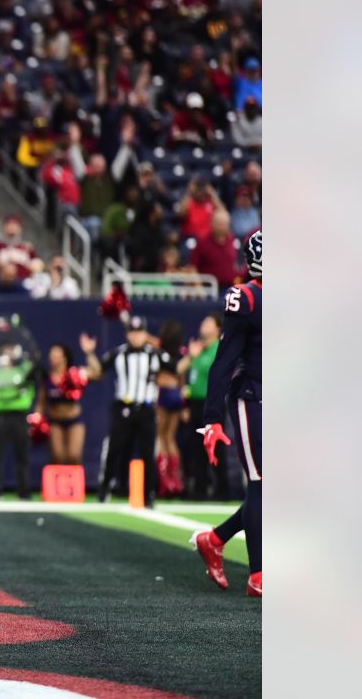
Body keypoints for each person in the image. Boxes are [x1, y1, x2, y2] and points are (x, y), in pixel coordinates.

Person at [191, 230, 263, 598]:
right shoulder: (247, 298)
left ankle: (214, 539)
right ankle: (259, 575)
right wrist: (212, 418)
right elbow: (224, 361)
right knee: (260, 482)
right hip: (253, 396)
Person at [80, 316, 171, 506]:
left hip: (146, 408)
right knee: (114, 449)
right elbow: (98, 371)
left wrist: (191, 356)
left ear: (145, 334)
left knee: (148, 453)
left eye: (139, 332)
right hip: (123, 407)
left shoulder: (155, 354)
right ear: (127, 334)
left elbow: (176, 369)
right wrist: (90, 354)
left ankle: (148, 495)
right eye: (132, 332)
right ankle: (105, 490)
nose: (136, 336)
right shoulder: (118, 354)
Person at [0, 332, 38, 500]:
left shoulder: (25, 368)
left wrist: (23, 360)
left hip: (19, 415)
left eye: (10, 349)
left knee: (23, 455)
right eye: (4, 349)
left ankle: (24, 491)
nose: (7, 352)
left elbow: (37, 372)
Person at [178, 312, 226, 499]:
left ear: (217, 329)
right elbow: (185, 375)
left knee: (215, 447)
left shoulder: (219, 349)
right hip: (195, 403)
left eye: (208, 323)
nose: (203, 326)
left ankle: (222, 488)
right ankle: (199, 488)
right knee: (195, 448)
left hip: (212, 404)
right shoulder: (198, 350)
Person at [39, 343, 87, 465]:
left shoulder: (74, 375)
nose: (53, 356)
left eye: (57, 353)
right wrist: (37, 419)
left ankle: (75, 484)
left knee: (74, 456)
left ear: (64, 357)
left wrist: (90, 353)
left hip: (74, 420)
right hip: (55, 421)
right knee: (58, 456)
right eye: (52, 353)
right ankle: (56, 483)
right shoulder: (46, 378)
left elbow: (96, 372)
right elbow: (41, 402)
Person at [154, 320, 186, 498]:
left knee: (160, 437)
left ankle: (164, 481)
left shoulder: (159, 353)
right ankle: (175, 479)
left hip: (163, 392)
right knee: (171, 438)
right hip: (176, 393)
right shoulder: (181, 353)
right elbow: (181, 377)